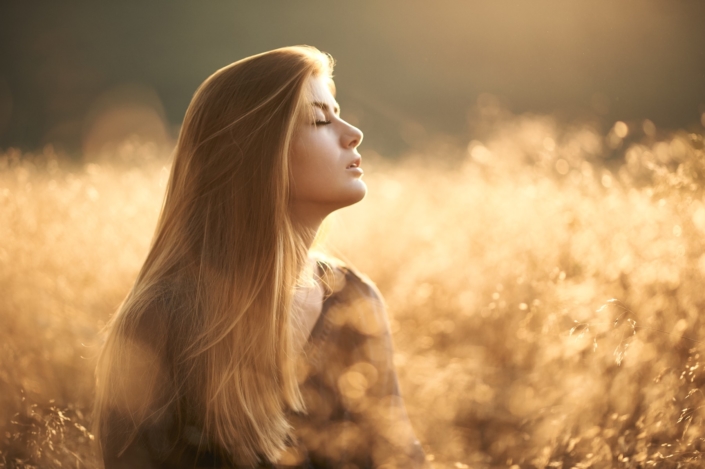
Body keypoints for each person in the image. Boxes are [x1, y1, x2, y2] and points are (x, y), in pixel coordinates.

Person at [93, 45, 427, 468]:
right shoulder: (161, 320)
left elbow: (397, 459)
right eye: (321, 119)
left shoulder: (354, 301)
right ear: (257, 150)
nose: (352, 132)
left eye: (338, 111)